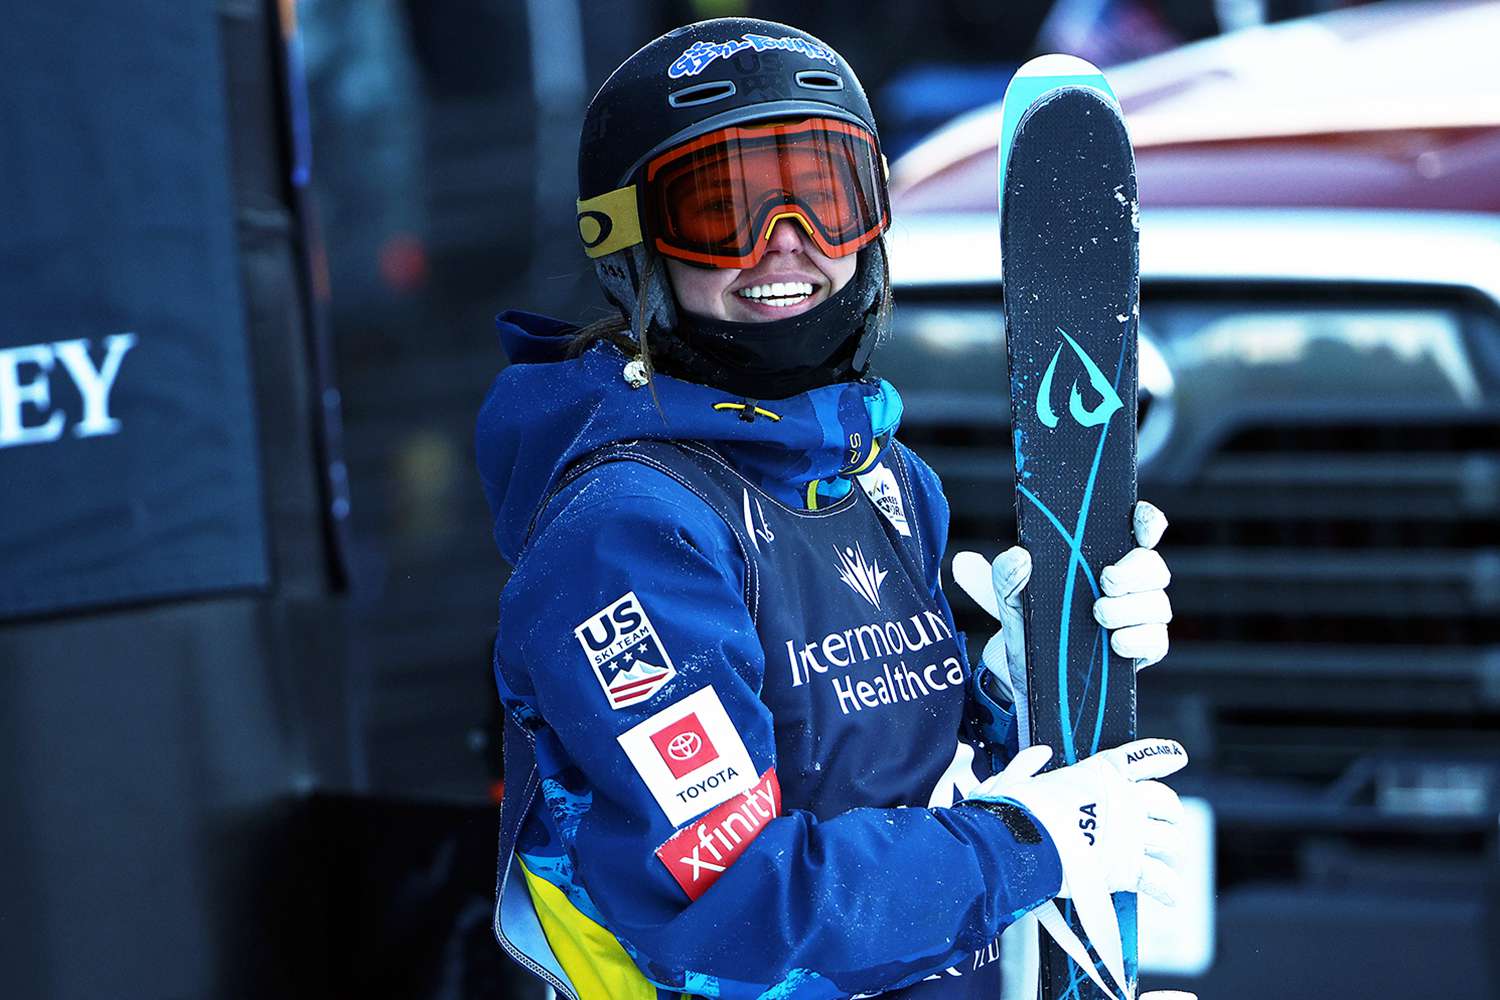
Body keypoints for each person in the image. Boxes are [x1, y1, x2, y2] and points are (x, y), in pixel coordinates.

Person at [476, 17, 1190, 1000]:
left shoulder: (882, 477)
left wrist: (1025, 682)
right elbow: (731, 905)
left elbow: (889, 799)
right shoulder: (628, 536)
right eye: (722, 211)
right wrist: (1026, 845)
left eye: (824, 198)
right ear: (630, 245)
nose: (786, 249)